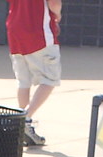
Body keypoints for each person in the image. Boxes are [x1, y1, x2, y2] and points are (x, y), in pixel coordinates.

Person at [5, 0, 62, 146]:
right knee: (50, 80)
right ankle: (26, 118)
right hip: (38, 32)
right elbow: (54, 4)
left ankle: (22, 123)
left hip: (14, 31)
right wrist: (57, 15)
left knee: (23, 81)